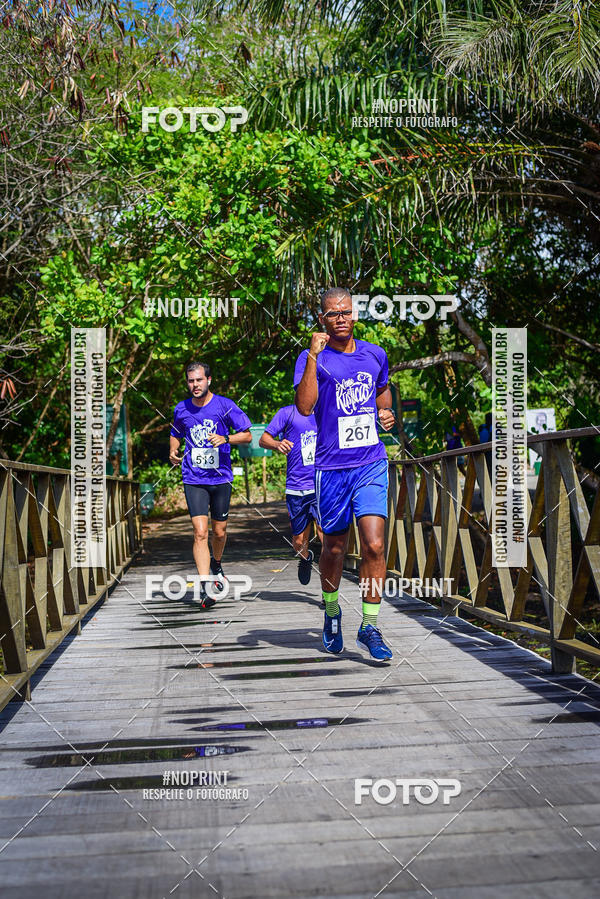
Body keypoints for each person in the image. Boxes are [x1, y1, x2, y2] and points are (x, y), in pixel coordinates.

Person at [294, 287, 396, 662]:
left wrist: (386, 414)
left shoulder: (375, 354)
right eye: (332, 313)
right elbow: (304, 407)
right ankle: (333, 612)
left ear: (354, 315)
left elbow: (382, 390)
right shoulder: (312, 358)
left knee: (374, 545)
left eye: (345, 312)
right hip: (331, 467)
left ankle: (369, 625)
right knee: (334, 547)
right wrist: (312, 358)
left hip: (370, 461)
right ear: (322, 318)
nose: (340, 318)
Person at [169, 361, 252, 607]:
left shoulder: (225, 406)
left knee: (219, 531)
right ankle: (205, 587)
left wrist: (226, 438)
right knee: (200, 532)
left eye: (199, 380)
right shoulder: (181, 408)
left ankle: (216, 563)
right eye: (190, 381)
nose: (194, 385)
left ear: (209, 380)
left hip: (221, 478)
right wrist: (173, 451)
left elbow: (247, 434)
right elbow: (176, 432)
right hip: (194, 478)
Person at [259, 404, 323, 585]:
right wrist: (277, 444)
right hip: (296, 486)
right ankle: (306, 557)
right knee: (298, 542)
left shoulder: (325, 408)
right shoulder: (287, 413)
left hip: (321, 484)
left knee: (326, 535)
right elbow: (263, 439)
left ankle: (328, 592)